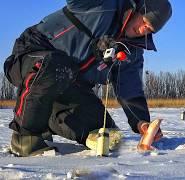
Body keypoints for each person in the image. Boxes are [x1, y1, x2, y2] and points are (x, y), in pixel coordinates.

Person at [3, 0, 172, 157]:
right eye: (144, 21)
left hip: (70, 86)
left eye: (149, 30)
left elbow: (130, 89)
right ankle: (25, 136)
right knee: (58, 66)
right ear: (136, 9)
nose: (143, 30)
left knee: (107, 133)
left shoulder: (132, 52)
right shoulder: (103, 5)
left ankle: (46, 118)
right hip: (30, 55)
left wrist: (141, 122)